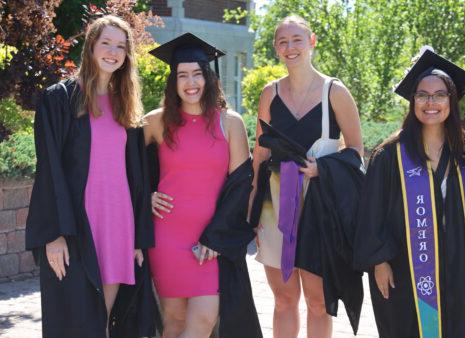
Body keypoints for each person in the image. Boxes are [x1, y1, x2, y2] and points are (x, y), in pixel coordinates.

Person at [25, 15, 157, 338]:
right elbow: (49, 169)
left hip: (117, 224)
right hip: (75, 226)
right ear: (91, 47)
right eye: (106, 43)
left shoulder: (125, 105)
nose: (113, 52)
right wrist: (53, 234)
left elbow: (136, 178)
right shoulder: (59, 99)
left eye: (121, 47)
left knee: (101, 325)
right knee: (75, 323)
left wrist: (138, 239)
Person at [248, 15, 365, 338]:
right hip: (276, 206)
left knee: (316, 301)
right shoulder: (269, 94)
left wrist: (320, 169)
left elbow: (356, 151)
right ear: (275, 48)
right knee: (284, 299)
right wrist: (253, 209)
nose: (290, 47)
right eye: (283, 41)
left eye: (297, 39)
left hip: (320, 208)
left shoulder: (335, 92)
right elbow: (260, 154)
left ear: (311, 42)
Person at [353, 48, 465, 338]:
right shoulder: (390, 154)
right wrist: (379, 261)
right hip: (405, 268)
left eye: (440, 95)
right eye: (422, 95)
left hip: (458, 264)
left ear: (452, 100)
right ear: (412, 101)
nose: (430, 102)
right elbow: (372, 213)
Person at [144, 33, 261, 338]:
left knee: (205, 319)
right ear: (173, 82)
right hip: (166, 236)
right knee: (173, 323)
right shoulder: (155, 122)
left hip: (210, 241)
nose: (190, 82)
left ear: (209, 78)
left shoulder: (230, 122)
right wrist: (144, 195)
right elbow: (123, 168)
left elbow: (240, 185)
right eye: (182, 75)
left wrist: (215, 237)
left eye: (197, 73)